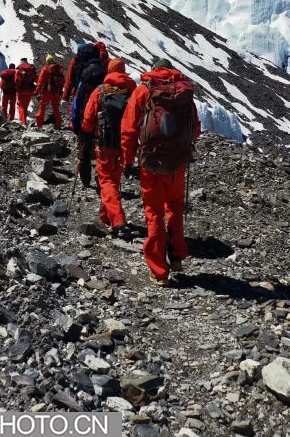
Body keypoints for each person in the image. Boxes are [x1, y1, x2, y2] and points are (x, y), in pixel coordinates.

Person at [121, 57, 201, 287]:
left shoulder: (144, 91)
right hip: (177, 163)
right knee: (174, 206)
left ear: (154, 70)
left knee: (154, 211)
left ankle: (159, 271)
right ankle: (176, 257)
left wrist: (128, 161)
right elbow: (195, 128)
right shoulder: (184, 92)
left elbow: (128, 129)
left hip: (151, 162)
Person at [81, 58, 136, 236]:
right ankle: (106, 215)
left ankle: (118, 221)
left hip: (104, 143)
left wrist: (86, 132)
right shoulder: (132, 91)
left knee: (106, 181)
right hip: (125, 144)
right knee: (114, 179)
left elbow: (88, 119)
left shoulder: (101, 91)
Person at [65, 42, 107, 187]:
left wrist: (74, 121)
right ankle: (100, 177)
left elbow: (77, 99)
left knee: (84, 148)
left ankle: (85, 179)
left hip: (85, 117)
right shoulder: (105, 73)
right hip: (103, 118)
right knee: (101, 148)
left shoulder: (84, 74)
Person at [34, 54, 65, 129]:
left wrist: (36, 92)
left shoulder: (45, 69)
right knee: (56, 109)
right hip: (56, 92)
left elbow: (40, 82)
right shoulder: (59, 69)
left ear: (47, 61)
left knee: (42, 108)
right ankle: (57, 125)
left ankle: (39, 125)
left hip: (47, 92)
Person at [14, 58, 38, 125]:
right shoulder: (31, 68)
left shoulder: (19, 69)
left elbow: (16, 81)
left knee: (21, 106)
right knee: (25, 106)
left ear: (21, 62)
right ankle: (24, 121)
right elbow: (37, 79)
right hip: (30, 90)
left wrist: (16, 87)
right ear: (26, 61)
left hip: (21, 91)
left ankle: (23, 122)